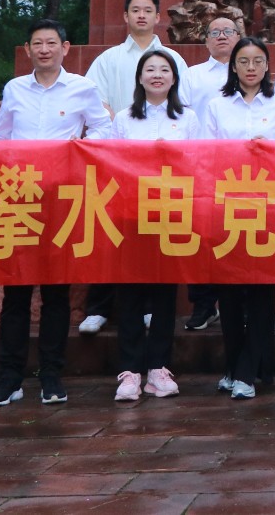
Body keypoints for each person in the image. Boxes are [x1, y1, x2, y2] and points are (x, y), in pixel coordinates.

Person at [0, 19, 113, 407]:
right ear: (28, 49)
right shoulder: (15, 88)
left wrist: (80, 148)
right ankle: (10, 378)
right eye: (38, 43)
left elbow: (104, 130)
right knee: (15, 293)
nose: (45, 49)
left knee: (56, 293)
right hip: (18, 197)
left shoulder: (83, 88)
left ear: (65, 48)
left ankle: (51, 374)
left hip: (61, 199)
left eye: (52, 43)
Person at [77, 0, 189, 335]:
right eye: (135, 10)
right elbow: (94, 103)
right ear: (125, 16)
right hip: (121, 160)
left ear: (158, 17)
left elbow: (183, 104)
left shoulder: (173, 58)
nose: (141, 15)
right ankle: (98, 308)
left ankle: (153, 310)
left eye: (148, 10)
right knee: (114, 235)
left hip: (166, 172)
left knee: (158, 238)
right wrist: (119, 127)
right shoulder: (108, 60)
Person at [201, 36, 275, 399]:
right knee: (228, 292)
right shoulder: (217, 105)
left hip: (266, 206)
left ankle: (248, 371)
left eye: (258, 61)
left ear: (267, 66)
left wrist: (268, 151)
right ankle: (233, 365)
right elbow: (206, 153)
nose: (251, 67)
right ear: (233, 66)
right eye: (244, 61)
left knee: (259, 291)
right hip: (226, 204)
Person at [110, 52, 201, 402]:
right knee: (130, 293)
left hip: (172, 212)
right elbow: (112, 162)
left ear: (174, 78)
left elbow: (198, 162)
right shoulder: (124, 118)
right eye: (150, 69)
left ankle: (158, 369)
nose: (157, 75)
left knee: (165, 294)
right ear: (140, 77)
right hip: (131, 213)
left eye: (165, 70)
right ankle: (130, 371)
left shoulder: (188, 118)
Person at [177, 16, 239, 331]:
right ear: (206, 40)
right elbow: (181, 114)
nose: (222, 36)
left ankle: (236, 306)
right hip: (199, 165)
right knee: (200, 237)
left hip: (240, 170)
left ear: (238, 36)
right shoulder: (192, 75)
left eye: (228, 31)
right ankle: (203, 305)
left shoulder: (247, 71)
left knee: (235, 233)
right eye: (215, 32)